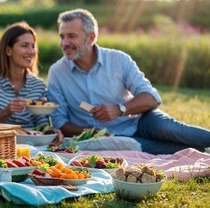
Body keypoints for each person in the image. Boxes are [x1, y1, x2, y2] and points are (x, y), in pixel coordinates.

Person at [47, 8, 210, 154]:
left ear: (91, 37)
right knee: (162, 148)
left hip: (139, 121)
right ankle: (204, 151)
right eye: (62, 36)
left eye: (71, 36)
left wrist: (119, 109)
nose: (64, 43)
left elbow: (152, 98)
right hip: (109, 139)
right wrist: (95, 133)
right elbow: (60, 122)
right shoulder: (57, 72)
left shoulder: (119, 59)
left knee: (167, 128)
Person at [0, 22, 64, 143]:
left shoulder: (38, 85)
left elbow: (41, 124)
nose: (31, 51)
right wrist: (7, 111)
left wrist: (51, 131)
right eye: (25, 46)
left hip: (32, 144)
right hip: (0, 144)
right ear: (8, 50)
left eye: (33, 46)